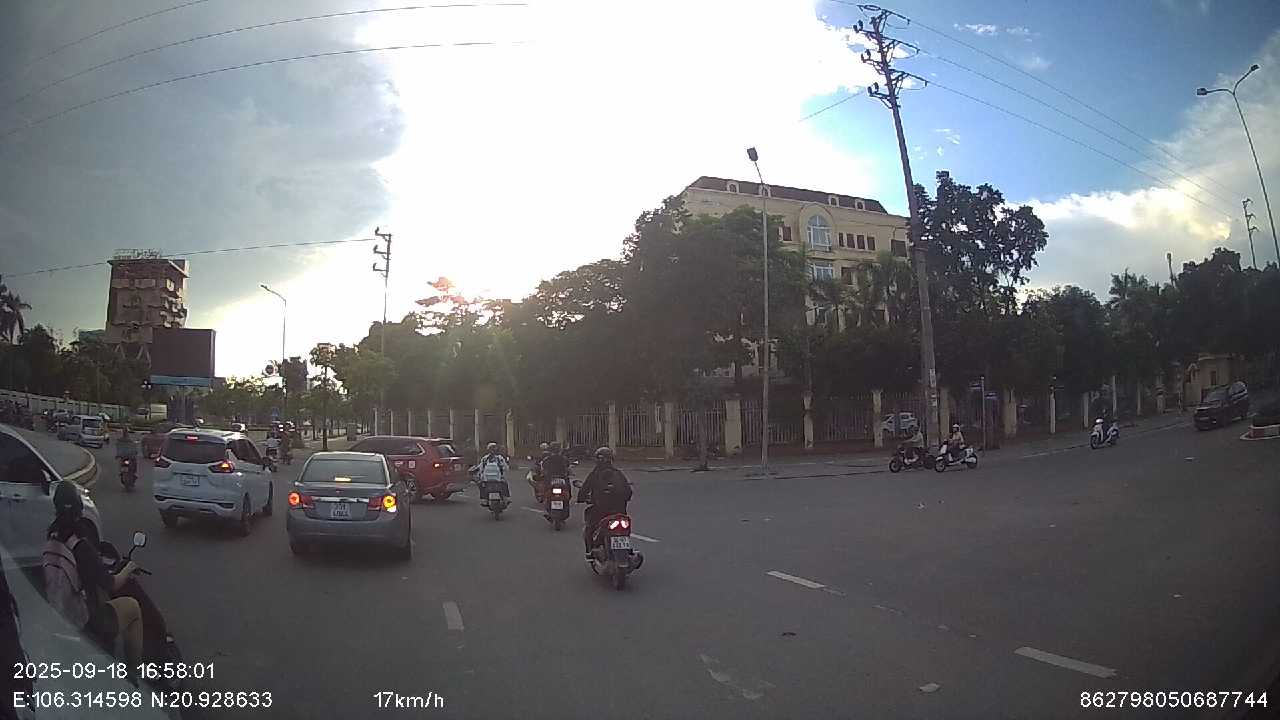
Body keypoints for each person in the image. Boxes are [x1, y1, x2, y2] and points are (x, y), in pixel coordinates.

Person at [45, 482, 144, 674]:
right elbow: (112, 584)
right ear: (79, 509)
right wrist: (129, 568)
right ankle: (133, 676)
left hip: (59, 613)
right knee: (133, 608)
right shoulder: (80, 546)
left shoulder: (52, 538)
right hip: (86, 620)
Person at [576, 446, 633, 560]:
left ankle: (590, 552)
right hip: (620, 512)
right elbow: (628, 492)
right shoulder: (618, 473)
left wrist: (581, 498)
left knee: (589, 527)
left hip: (601, 511)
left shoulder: (595, 474)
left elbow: (585, 489)